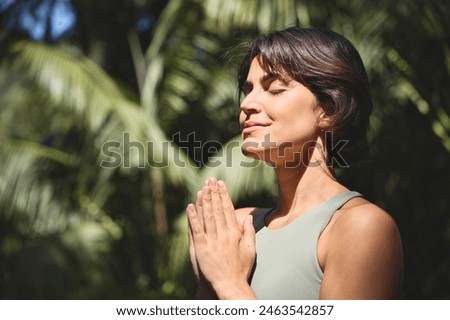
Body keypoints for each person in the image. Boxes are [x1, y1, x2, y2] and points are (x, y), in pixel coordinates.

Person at [186, 27, 403, 300]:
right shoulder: (239, 226)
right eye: (248, 89)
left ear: (330, 109)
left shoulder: (359, 227)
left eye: (274, 89)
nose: (247, 103)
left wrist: (228, 283)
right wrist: (207, 288)